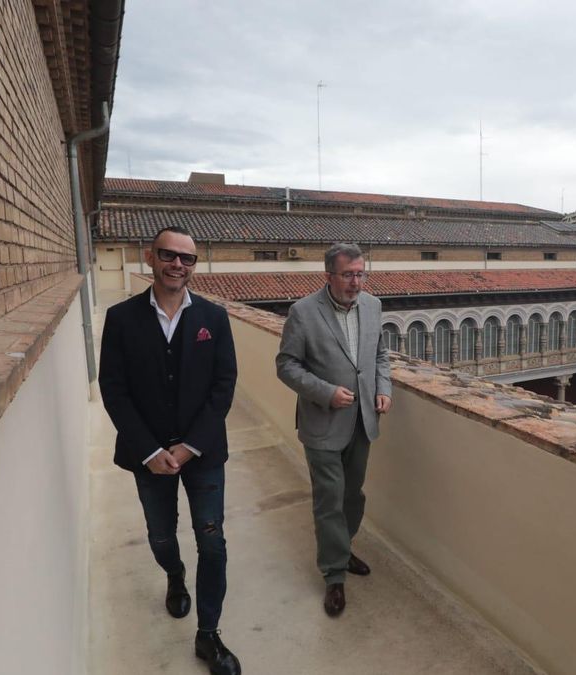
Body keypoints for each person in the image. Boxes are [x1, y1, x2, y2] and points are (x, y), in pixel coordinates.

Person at [98, 226, 241, 675]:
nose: (178, 264)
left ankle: (209, 635)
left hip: (203, 453)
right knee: (161, 537)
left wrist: (190, 445)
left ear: (194, 265)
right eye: (168, 255)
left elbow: (223, 386)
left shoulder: (214, 319)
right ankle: (174, 574)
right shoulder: (121, 319)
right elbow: (113, 389)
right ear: (150, 258)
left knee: (213, 543)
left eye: (187, 258)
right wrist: (149, 450)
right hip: (149, 456)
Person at [275, 242, 393, 617]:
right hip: (322, 423)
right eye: (348, 275)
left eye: (360, 274)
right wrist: (325, 393)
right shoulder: (304, 312)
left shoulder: (372, 306)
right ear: (329, 275)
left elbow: (378, 357)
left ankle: (341, 547)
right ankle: (334, 576)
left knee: (353, 494)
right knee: (329, 498)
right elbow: (287, 365)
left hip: (363, 422)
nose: (355, 282)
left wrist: (383, 389)